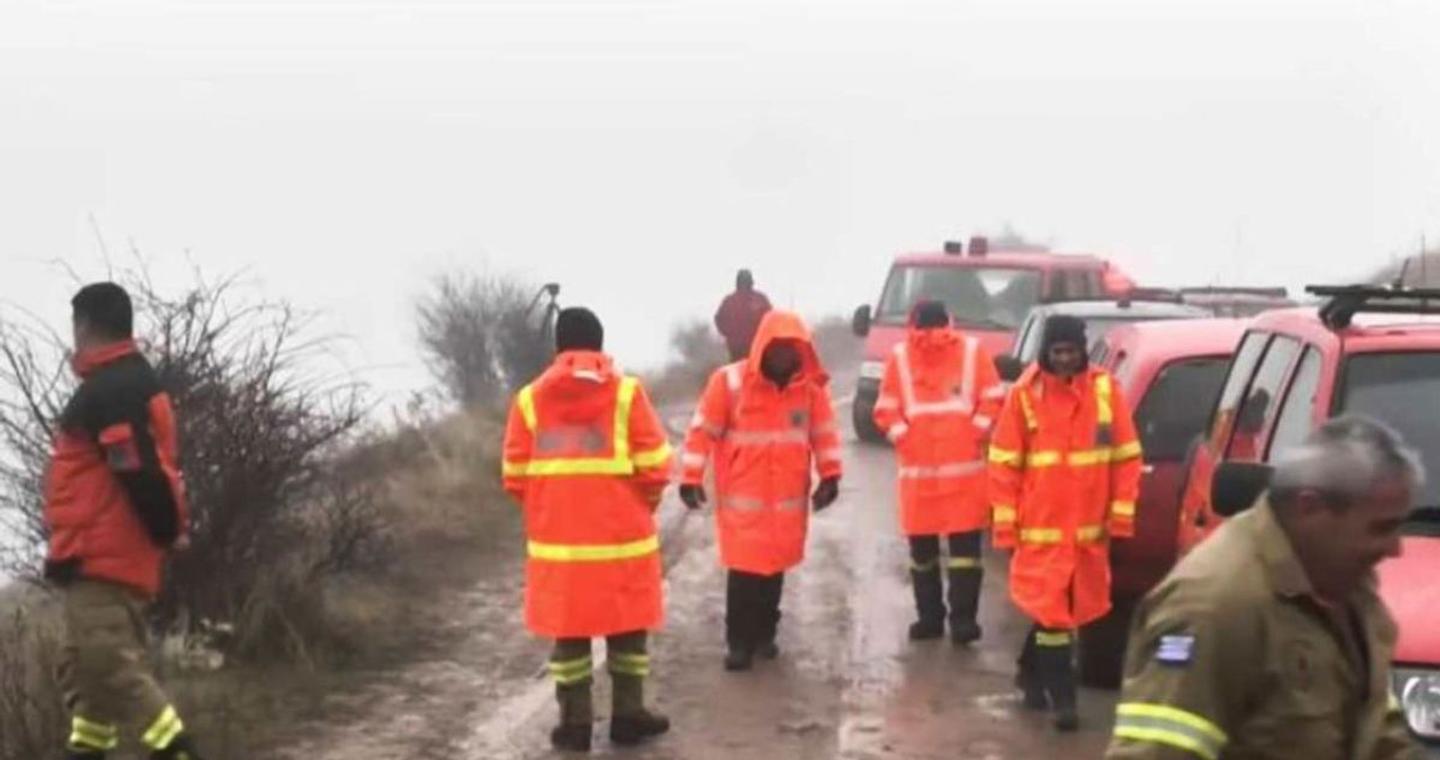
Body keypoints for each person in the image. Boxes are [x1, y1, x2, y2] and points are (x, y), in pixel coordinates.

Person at [1106, 416, 1423, 760]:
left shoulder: (1347, 588)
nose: (1395, 548)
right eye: (1380, 528)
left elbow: (1375, 727)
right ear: (1309, 507)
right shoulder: (1214, 605)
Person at [501, 307, 675, 752]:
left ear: (558, 346)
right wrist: (640, 507)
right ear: (600, 344)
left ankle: (575, 724)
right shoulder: (627, 394)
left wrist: (553, 510)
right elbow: (656, 467)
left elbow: (515, 476)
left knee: (571, 638)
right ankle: (628, 715)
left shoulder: (528, 400)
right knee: (628, 632)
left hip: (560, 549)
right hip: (622, 545)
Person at [43, 282, 202, 760]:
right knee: (83, 668)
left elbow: (135, 466)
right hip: (92, 552)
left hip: (104, 555)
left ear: (85, 325)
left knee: (110, 665)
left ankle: (177, 749)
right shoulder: (121, 383)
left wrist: (166, 529)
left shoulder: (113, 389)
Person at [988, 315, 1143, 731]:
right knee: (1055, 614)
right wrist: (1005, 524)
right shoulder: (1024, 395)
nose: (1063, 360)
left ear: (1081, 350)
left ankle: (1030, 674)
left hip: (1089, 532)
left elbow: (1127, 458)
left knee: (1063, 610)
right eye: (1056, 352)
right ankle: (1063, 701)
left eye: (1070, 351)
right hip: (1040, 529)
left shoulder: (1107, 392)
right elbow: (1004, 464)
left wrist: (1121, 517)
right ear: (1046, 351)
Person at [678, 310, 842, 671]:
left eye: (792, 348)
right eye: (778, 348)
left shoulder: (809, 390)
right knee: (743, 572)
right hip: (743, 496)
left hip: (786, 498)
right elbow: (702, 432)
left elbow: (824, 434)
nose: (785, 356)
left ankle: (766, 635)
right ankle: (739, 642)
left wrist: (831, 475)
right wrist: (690, 477)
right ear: (763, 347)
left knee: (775, 568)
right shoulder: (729, 383)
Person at [872, 300, 1005, 644]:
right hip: (937, 475)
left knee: (933, 556)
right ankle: (954, 621)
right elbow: (886, 410)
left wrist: (907, 438)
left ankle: (938, 620)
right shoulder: (904, 358)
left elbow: (992, 398)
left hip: (945, 475)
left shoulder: (967, 353)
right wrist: (911, 438)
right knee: (953, 555)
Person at [713, 269, 773, 362]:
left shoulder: (759, 299)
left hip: (753, 345)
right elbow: (719, 319)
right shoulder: (758, 299)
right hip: (741, 347)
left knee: (744, 372)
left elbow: (771, 319)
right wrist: (729, 334)